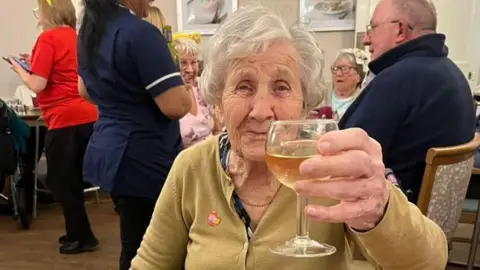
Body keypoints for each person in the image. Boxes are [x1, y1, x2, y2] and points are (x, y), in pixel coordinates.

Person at [130, 5, 448, 269]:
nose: (261, 110)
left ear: (305, 105)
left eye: (281, 87)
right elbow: (149, 264)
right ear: (218, 102)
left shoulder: (334, 172)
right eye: (244, 86)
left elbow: (429, 262)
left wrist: (379, 210)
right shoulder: (192, 167)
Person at [77, 0, 191, 269]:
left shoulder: (90, 31)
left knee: (134, 242)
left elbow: (84, 91)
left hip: (110, 152)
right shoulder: (140, 34)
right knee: (150, 248)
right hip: (143, 158)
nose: (151, 1)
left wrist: (121, 100)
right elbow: (177, 105)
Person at [339, 0, 476, 203]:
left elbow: (341, 153)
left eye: (372, 28)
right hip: (429, 222)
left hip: (392, 219)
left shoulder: (397, 79)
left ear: (400, 30)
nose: (366, 40)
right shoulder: (454, 76)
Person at [10, 0, 98, 254]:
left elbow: (37, 85)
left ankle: (83, 236)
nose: (38, 17)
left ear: (47, 13)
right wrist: (33, 61)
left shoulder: (48, 38)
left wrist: (19, 70)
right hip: (88, 115)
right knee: (73, 180)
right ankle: (77, 232)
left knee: (60, 181)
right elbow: (63, 69)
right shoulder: (76, 36)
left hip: (65, 119)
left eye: (38, 11)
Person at [174, 37, 221, 147]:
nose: (190, 69)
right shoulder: (169, 97)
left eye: (193, 62)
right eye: (183, 63)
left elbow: (217, 129)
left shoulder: (202, 87)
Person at [310, 48, 369, 120]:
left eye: (345, 68)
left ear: (358, 76)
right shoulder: (320, 92)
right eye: (335, 68)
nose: (338, 73)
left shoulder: (364, 99)